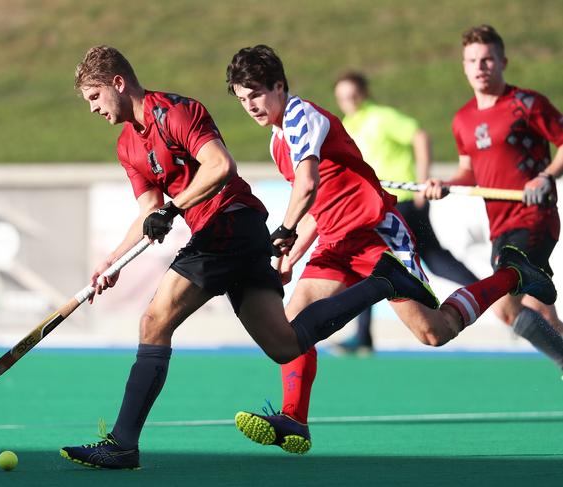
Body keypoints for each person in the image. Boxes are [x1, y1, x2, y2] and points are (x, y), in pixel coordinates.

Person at [59, 45, 447, 470]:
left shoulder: (176, 111)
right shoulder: (128, 147)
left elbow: (220, 165)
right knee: (284, 345)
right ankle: (386, 282)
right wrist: (112, 262)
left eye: (95, 97)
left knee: (154, 321)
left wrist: (172, 210)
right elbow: (149, 212)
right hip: (230, 236)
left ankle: (123, 443)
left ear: (118, 83)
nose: (93, 108)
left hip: (228, 223)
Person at [225, 44, 558, 455]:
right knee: (290, 326)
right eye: (242, 99)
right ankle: (294, 420)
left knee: (434, 332)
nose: (251, 106)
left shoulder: (299, 116)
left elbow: (306, 184)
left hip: (376, 233)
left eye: (256, 93)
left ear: (279, 85)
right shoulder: (278, 141)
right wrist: (292, 253)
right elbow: (315, 202)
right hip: (336, 241)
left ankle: (515, 274)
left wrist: (284, 231)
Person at [424, 24, 563, 365]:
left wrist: (545, 177)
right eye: (473, 60)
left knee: (508, 295)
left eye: (488, 60)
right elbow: (468, 170)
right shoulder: (463, 119)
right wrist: (444, 185)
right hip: (499, 225)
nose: (480, 67)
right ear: (464, 66)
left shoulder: (526, 104)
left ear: (503, 62)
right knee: (522, 311)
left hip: (534, 218)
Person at [332, 71, 479, 354]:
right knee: (412, 260)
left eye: (352, 95)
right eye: (342, 97)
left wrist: (424, 180)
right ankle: (487, 292)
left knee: (416, 260)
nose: (348, 101)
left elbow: (420, 136)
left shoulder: (381, 117)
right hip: (377, 205)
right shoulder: (350, 124)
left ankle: (487, 293)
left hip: (402, 203)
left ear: (363, 92)